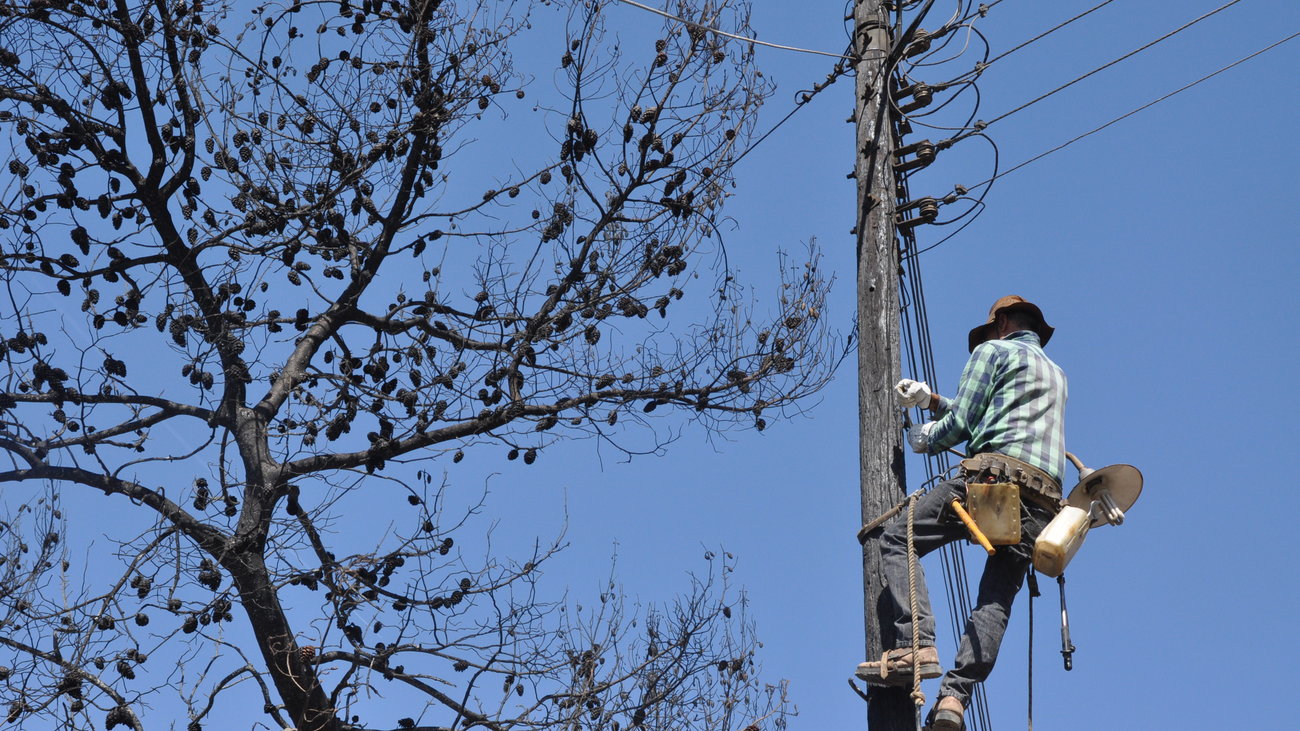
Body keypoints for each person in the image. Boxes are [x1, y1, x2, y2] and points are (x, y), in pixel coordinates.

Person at [855, 295, 1067, 731]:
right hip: (1041, 506)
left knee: (898, 537)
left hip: (993, 485)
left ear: (1001, 323)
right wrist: (931, 399)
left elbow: (965, 424)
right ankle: (954, 698)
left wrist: (927, 437)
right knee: (995, 599)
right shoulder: (1056, 374)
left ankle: (916, 644)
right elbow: (994, 416)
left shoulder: (993, 351)